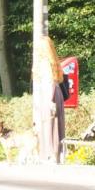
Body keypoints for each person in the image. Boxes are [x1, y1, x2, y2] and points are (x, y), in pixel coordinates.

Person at [33, 35, 66, 163]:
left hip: (49, 94)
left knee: (49, 124)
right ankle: (58, 154)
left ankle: (50, 154)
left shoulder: (44, 63)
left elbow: (48, 82)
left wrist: (49, 100)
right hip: (57, 93)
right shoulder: (54, 62)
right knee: (57, 124)